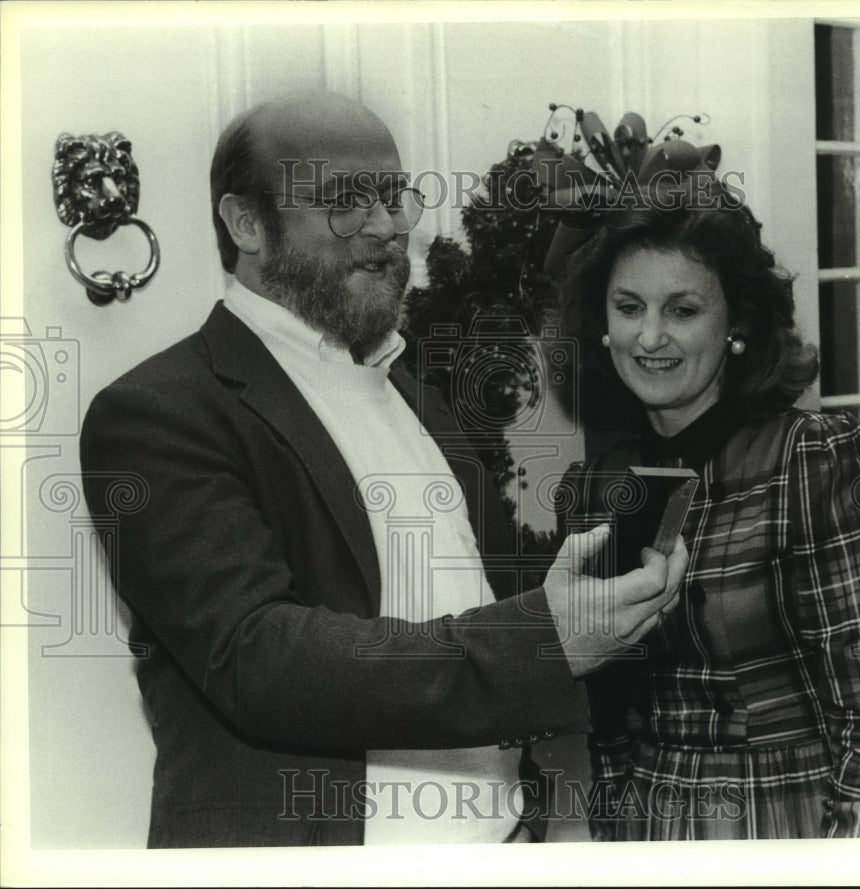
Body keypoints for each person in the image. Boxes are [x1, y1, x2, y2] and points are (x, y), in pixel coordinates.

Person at [78, 91, 688, 847]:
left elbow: (474, 594)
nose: (387, 225)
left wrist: (595, 579)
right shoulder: (156, 413)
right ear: (245, 224)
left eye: (393, 194)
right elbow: (261, 658)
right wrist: (543, 636)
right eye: (342, 199)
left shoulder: (413, 391)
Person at [550, 136, 860, 840]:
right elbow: (609, 731)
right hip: (648, 833)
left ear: (737, 324)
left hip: (784, 824)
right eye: (628, 306)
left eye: (683, 309)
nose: (650, 336)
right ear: (601, 323)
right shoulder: (598, 487)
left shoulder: (810, 460)